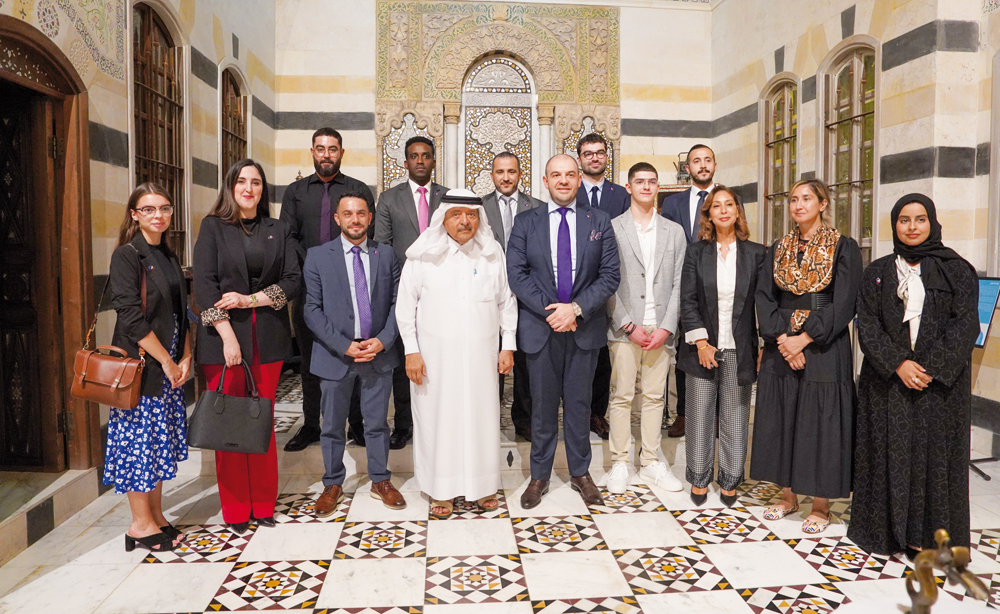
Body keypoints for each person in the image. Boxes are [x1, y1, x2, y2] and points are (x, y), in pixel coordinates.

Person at [849, 194, 979, 556]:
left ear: (932, 223)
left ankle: (928, 537)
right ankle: (888, 533)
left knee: (934, 461)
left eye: (920, 219)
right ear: (894, 225)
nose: (912, 227)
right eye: (904, 220)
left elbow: (966, 324)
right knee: (887, 456)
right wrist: (898, 364)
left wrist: (931, 369)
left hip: (940, 388)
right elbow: (868, 325)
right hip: (888, 383)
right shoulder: (876, 271)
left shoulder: (958, 270)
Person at [507, 154, 621, 509]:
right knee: (541, 407)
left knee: (579, 404)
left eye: (570, 175)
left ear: (578, 180)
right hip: (542, 329)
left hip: (583, 328)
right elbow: (517, 274)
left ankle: (580, 473)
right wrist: (554, 312)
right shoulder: (526, 222)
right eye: (556, 175)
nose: (563, 181)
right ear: (545, 181)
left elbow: (610, 275)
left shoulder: (599, 220)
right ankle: (539, 475)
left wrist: (575, 309)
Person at [194, 159, 301, 534]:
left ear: (263, 190)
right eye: (242, 181)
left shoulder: (278, 228)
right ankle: (237, 508)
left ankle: (263, 504)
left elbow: (292, 280)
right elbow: (203, 286)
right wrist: (227, 337)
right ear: (231, 186)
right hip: (222, 344)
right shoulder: (213, 227)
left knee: (261, 424)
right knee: (229, 426)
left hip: (267, 342)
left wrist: (249, 299)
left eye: (256, 182)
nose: (249, 188)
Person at [396, 189, 518, 519]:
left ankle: (482, 487)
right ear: (443, 219)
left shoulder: (492, 255)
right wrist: (412, 351)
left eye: (472, 215)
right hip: (434, 363)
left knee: (482, 420)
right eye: (457, 214)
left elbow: (506, 302)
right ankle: (441, 490)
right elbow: (405, 309)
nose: (465, 221)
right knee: (438, 422)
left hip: (481, 362)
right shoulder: (422, 257)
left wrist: (508, 345)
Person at [750, 178, 862, 535]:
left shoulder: (843, 246)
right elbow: (764, 297)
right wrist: (783, 339)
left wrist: (805, 339)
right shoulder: (777, 247)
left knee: (822, 422)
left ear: (823, 203)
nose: (798, 205)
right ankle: (786, 496)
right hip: (780, 340)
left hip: (825, 343)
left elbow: (845, 302)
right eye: (794, 199)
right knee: (782, 415)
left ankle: (821, 504)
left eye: (807, 198)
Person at [303, 191, 406, 517]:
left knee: (377, 424)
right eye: (348, 214)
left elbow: (398, 304)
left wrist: (384, 340)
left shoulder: (386, 254)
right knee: (332, 425)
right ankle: (332, 482)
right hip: (336, 355)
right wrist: (343, 344)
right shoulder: (318, 256)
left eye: (361, 213)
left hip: (378, 353)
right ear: (337, 219)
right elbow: (311, 309)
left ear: (370, 217)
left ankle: (380, 479)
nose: (355, 220)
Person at [107, 183, 192, 552]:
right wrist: (169, 360)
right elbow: (130, 317)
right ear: (134, 214)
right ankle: (139, 525)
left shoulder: (168, 253)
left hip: (168, 368)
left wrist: (186, 355)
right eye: (149, 209)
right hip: (144, 368)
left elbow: (180, 312)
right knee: (139, 448)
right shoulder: (127, 255)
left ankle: (157, 516)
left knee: (157, 447)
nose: (159, 215)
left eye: (165, 208)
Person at [280, 128, 374, 453]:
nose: (326, 155)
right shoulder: (295, 192)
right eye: (320, 149)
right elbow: (288, 237)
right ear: (312, 152)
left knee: (354, 359)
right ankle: (310, 426)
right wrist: (313, 267)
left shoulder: (357, 190)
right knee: (309, 361)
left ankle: (357, 425)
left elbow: (366, 234)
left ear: (341, 153)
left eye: (332, 149)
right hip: (308, 289)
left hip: (350, 289)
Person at [678, 186, 766, 507]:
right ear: (709, 214)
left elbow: (763, 302)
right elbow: (687, 301)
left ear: (738, 212)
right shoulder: (695, 252)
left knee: (735, 415)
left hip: (739, 348)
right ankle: (700, 478)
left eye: (730, 205)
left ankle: (729, 479)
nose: (724, 210)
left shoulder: (757, 254)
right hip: (701, 347)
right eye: (717, 206)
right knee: (699, 414)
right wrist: (701, 342)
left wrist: (763, 346)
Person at [604, 163, 686, 495]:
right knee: (622, 396)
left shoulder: (674, 231)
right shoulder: (612, 228)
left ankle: (651, 460)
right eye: (640, 182)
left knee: (655, 398)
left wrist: (667, 327)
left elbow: (680, 283)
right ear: (629, 187)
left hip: (660, 327)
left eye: (653, 181)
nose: (647, 187)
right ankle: (620, 461)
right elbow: (607, 282)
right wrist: (626, 323)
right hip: (625, 328)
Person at [373, 135, 447, 450]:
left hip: (442, 293)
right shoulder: (389, 199)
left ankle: (441, 423)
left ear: (433, 161)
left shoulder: (449, 197)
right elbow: (383, 247)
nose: (420, 161)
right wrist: (397, 289)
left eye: (426, 155)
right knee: (406, 358)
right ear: (405, 163)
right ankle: (404, 425)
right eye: (414, 156)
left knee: (441, 360)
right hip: (403, 291)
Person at [481, 152, 544, 441]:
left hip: (528, 297)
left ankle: (524, 420)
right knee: (491, 359)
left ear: (520, 174)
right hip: (489, 298)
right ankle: (487, 419)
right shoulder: (478, 209)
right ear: (492, 175)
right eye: (500, 172)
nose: (506, 177)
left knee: (526, 363)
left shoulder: (539, 208)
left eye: (511, 171)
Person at [660, 144, 719, 437]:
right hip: (684, 282)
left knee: (719, 343)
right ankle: (683, 413)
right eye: (697, 161)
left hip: (719, 284)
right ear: (688, 168)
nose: (703, 165)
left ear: (715, 165)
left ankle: (718, 413)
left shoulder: (727, 199)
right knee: (686, 349)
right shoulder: (672, 204)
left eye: (707, 160)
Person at [575, 133, 630, 441]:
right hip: (578, 283)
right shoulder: (571, 191)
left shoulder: (620, 195)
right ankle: (575, 411)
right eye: (588, 153)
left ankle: (597, 413)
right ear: (580, 158)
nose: (594, 158)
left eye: (599, 153)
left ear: (607, 157)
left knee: (602, 355)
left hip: (611, 279)